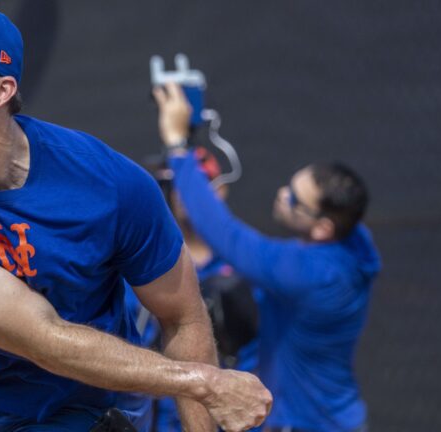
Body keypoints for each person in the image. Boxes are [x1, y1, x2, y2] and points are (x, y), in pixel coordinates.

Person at [0, 2, 271, 431]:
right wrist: (204, 383)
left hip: (105, 400)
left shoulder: (109, 183)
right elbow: (44, 339)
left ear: (0, 91)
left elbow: (182, 315)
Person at [153, 83, 381, 432]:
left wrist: (178, 147)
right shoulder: (357, 244)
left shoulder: (311, 273)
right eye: (291, 185)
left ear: (322, 228)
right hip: (341, 416)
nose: (281, 194)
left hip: (310, 424)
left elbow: (227, 236)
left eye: (294, 200)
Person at [127, 149, 261, 432]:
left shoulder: (245, 262)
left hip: (239, 415)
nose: (183, 192)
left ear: (220, 189)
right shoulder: (146, 267)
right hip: (166, 417)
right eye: (175, 185)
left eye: (196, 182)